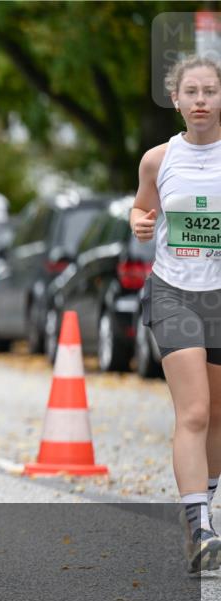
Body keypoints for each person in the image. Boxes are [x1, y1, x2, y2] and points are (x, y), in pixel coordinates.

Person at [131, 55, 221, 573]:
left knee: (218, 417)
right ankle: (200, 526)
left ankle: (202, 504)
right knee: (193, 412)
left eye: (210, 90)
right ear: (177, 98)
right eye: (192, 91)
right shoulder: (158, 159)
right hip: (174, 292)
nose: (202, 100)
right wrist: (140, 223)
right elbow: (141, 208)